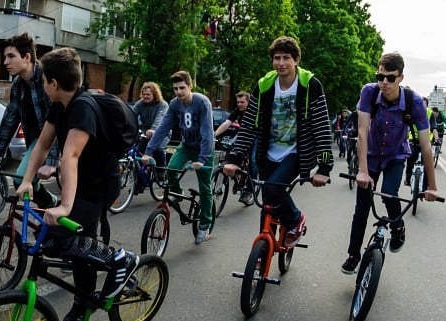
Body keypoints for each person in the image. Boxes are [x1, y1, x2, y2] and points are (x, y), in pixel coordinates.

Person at [15, 47, 137, 321]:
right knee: (75, 246)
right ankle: (83, 299)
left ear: (54, 83)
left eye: (44, 79)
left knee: (64, 238)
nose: (42, 84)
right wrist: (26, 180)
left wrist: (65, 207)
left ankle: (121, 259)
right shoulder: (60, 105)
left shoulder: (83, 108)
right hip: (79, 182)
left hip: (98, 186)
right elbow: (43, 144)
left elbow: (70, 156)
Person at [222, 36, 332, 247]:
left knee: (273, 189)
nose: (281, 63)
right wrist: (234, 158)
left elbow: (321, 127)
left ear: (296, 60)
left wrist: (324, 168)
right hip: (267, 152)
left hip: (295, 152)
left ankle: (295, 219)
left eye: (286, 58)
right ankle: (264, 250)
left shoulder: (310, 85)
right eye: (277, 58)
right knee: (267, 204)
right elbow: (249, 126)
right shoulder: (264, 86)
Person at [342, 52, 438, 273]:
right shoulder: (369, 92)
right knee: (362, 207)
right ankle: (353, 255)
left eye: (390, 78)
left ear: (401, 78)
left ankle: (398, 226)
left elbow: (425, 147)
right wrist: (363, 172)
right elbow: (362, 133)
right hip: (371, 154)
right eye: (380, 76)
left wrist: (431, 187)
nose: (384, 82)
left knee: (388, 192)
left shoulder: (414, 102)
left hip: (396, 155)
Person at [0, 33, 58, 208]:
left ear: (27, 57)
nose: (5, 62)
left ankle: (59, 211)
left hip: (64, 142)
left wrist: (53, 161)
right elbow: (10, 119)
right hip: (38, 142)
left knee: (23, 180)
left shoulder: (47, 79)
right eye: (4, 57)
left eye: (11, 56)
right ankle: (50, 208)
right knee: (22, 180)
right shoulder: (18, 84)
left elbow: (58, 122)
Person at [141, 71, 215, 244]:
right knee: (172, 169)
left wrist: (202, 159)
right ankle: (179, 192)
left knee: (205, 188)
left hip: (204, 149)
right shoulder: (175, 104)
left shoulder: (202, 102)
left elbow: (207, 132)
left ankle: (205, 224)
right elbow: (163, 127)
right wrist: (148, 152)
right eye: (175, 89)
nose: (179, 92)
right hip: (186, 146)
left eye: (182, 88)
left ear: (190, 86)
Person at [215, 90, 253, 205]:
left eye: (242, 102)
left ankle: (249, 190)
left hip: (255, 136)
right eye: (238, 102)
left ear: (248, 102)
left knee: (254, 162)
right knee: (231, 150)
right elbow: (227, 123)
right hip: (243, 134)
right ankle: (237, 174)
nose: (239, 104)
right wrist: (214, 134)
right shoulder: (237, 111)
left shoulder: (253, 111)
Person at [132, 82, 169, 174]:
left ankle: (161, 172)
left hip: (161, 132)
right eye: (143, 94)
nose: (145, 96)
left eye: (148, 94)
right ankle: (139, 174)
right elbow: (131, 114)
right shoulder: (140, 104)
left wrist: (153, 129)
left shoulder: (163, 105)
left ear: (155, 94)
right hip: (145, 132)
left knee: (158, 149)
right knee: (139, 151)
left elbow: (159, 118)